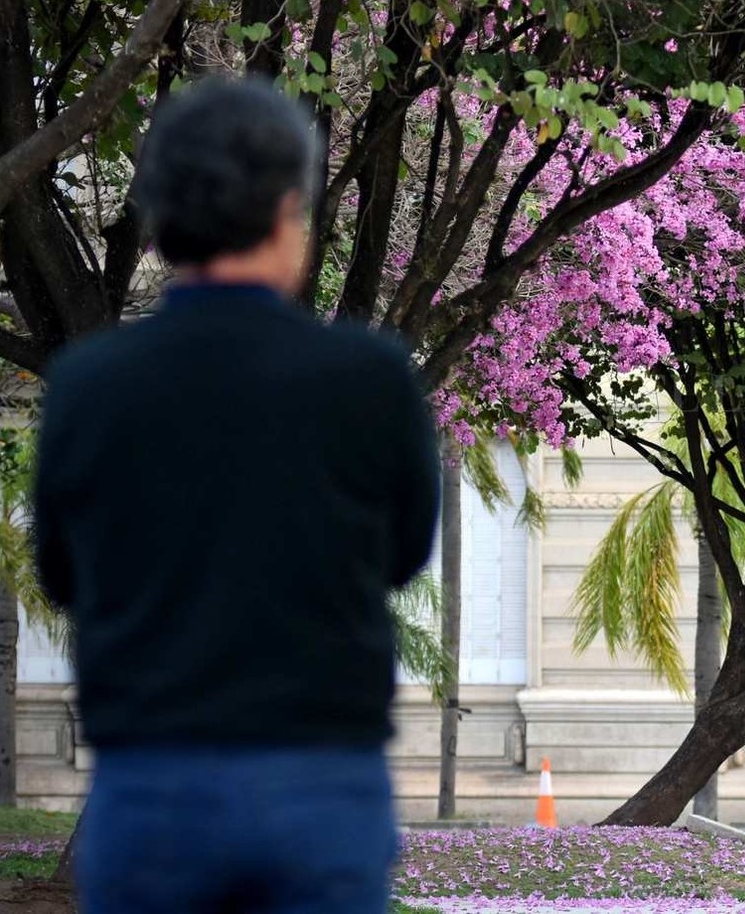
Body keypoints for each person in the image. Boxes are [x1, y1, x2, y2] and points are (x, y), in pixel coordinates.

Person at [34, 77, 441, 914]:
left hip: (150, 787)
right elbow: (401, 555)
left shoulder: (90, 385)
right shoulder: (369, 380)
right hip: (320, 784)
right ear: (289, 207)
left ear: (158, 218)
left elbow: (62, 571)